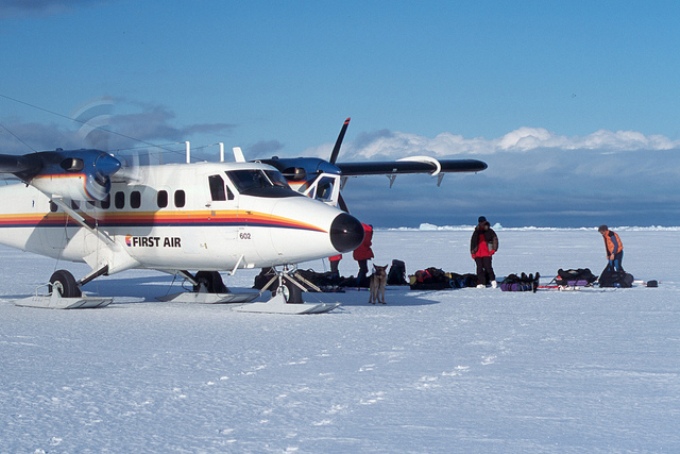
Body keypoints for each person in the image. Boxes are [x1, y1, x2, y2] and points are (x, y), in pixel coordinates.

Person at [470, 216, 498, 288]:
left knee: (488, 267)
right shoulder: (476, 231)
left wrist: (493, 250)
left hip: (487, 253)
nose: (481, 223)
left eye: (483, 221)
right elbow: (472, 243)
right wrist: (472, 252)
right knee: (479, 268)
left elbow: (495, 240)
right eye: (480, 221)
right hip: (477, 253)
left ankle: (493, 280)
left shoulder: (490, 231)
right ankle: (482, 283)